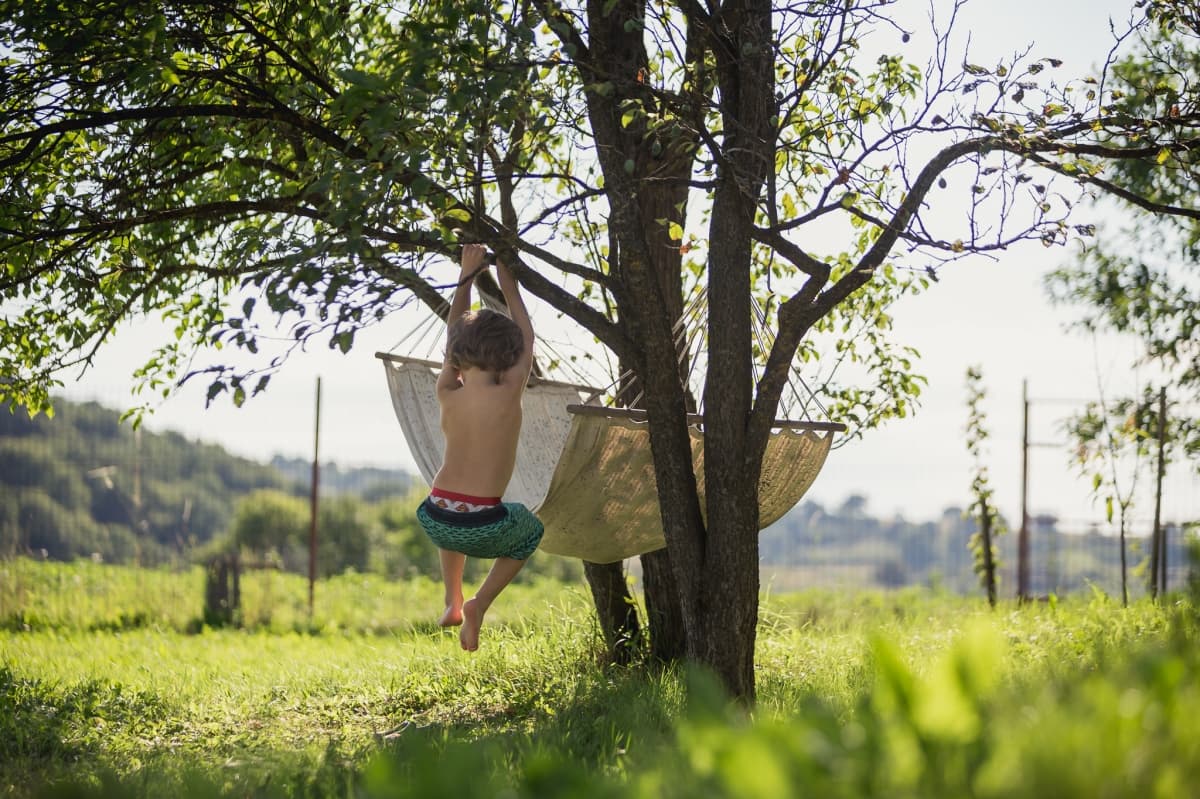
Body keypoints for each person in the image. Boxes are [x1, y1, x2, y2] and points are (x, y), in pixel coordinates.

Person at [415, 243, 544, 651]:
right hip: (483, 524)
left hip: (436, 515)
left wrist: (466, 274)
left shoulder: (447, 388)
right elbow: (528, 337)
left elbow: (453, 332)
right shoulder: (510, 388)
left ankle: (451, 598)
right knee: (530, 529)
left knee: (451, 523)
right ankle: (477, 605)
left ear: (455, 357)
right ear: (510, 357)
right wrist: (507, 279)